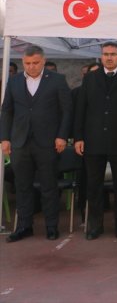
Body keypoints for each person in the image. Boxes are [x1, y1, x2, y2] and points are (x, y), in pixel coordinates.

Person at [1, 45, 72, 242]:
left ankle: (51, 226)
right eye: (27, 63)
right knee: (22, 186)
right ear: (23, 62)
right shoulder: (14, 81)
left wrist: (62, 136)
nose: (31, 67)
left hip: (47, 142)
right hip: (20, 142)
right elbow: (6, 111)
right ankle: (24, 226)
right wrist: (5, 138)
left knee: (49, 185)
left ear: (43, 61)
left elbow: (66, 111)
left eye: (35, 63)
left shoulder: (57, 80)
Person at [74, 42, 117, 240]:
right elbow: (81, 109)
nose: (109, 57)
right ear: (101, 56)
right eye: (106, 54)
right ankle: (95, 226)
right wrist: (78, 137)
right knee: (93, 186)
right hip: (93, 140)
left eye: (113, 54)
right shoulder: (90, 78)